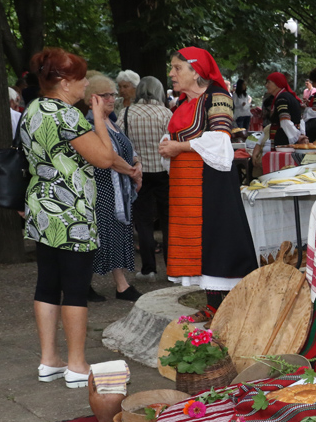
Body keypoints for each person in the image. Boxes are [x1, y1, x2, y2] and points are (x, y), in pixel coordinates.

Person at [21, 48, 116, 388]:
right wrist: (100, 119)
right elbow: (104, 158)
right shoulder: (67, 116)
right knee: (75, 288)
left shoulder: (32, 109)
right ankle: (77, 365)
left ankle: (49, 360)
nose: (86, 84)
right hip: (72, 211)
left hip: (42, 208)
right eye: (80, 78)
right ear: (63, 82)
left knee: (47, 283)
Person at [159, 47, 257, 321]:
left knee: (217, 239)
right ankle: (213, 304)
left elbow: (220, 140)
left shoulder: (217, 96)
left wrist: (178, 147)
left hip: (211, 182)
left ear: (196, 70)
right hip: (187, 183)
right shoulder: (183, 103)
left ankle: (235, 310)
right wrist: (171, 147)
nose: (171, 74)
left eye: (177, 68)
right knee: (200, 244)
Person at [85, 75, 142, 302]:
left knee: (113, 234)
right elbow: (108, 156)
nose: (111, 98)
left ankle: (120, 285)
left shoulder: (112, 120)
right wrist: (131, 171)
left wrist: (136, 164)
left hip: (117, 187)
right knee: (103, 236)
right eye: (105, 95)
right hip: (103, 188)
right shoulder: (90, 123)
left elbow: (126, 146)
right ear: (93, 99)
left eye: (112, 94)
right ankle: (92, 284)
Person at [126, 76, 172, 279]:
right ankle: (172, 268)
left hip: (138, 173)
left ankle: (148, 269)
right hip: (164, 172)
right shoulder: (166, 113)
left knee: (143, 222)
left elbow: (121, 142)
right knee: (168, 221)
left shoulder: (126, 113)